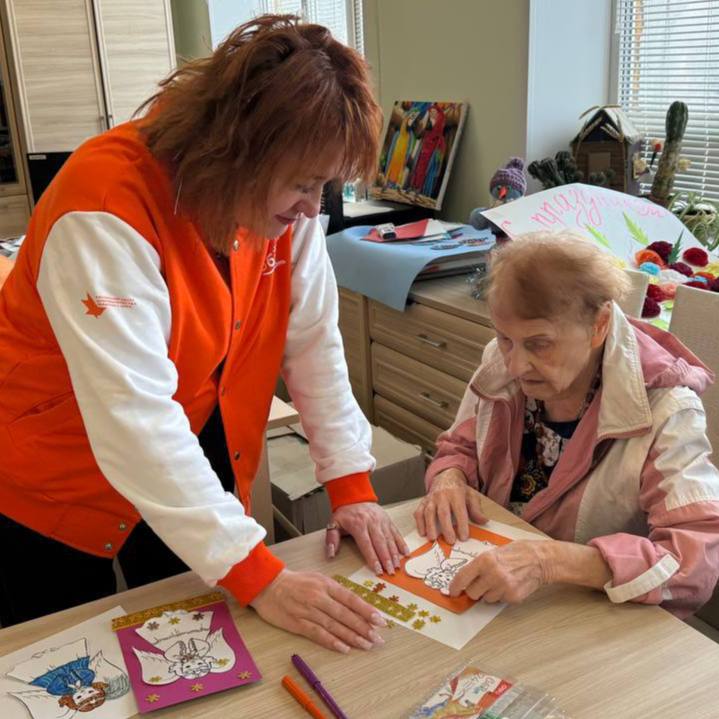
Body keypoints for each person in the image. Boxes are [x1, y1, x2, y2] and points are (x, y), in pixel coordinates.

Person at [0, 15, 409, 653]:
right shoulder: (102, 209)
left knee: (192, 650)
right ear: (237, 152)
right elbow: (135, 418)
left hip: (183, 440)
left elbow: (313, 344)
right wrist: (262, 578)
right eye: (304, 185)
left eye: (324, 186)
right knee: (62, 660)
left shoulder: (281, 204)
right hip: (50, 474)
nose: (314, 207)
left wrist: (350, 486)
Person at [414, 232, 719, 617]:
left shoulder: (667, 410)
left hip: (595, 615)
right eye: (504, 338)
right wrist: (449, 479)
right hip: (501, 598)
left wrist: (550, 561)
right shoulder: (502, 360)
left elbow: (695, 563)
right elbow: (461, 447)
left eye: (539, 343)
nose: (515, 366)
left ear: (599, 325)